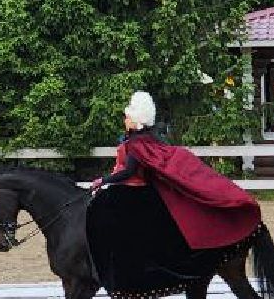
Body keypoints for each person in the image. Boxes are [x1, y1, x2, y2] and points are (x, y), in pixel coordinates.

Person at [90, 90, 260, 252]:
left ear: (135, 121)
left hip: (134, 189)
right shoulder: (149, 138)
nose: (125, 121)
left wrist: (103, 180)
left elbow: (128, 172)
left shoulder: (136, 144)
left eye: (127, 118)